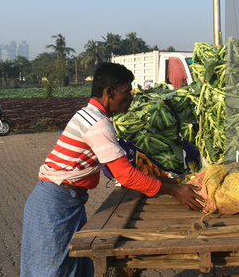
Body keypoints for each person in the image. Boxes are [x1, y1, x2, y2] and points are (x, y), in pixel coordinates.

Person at [20, 62, 204, 277]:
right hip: (54, 204)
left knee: (75, 267)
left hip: (63, 199)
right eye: (126, 92)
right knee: (53, 271)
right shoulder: (98, 124)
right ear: (110, 92)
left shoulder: (88, 114)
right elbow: (125, 175)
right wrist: (173, 190)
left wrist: (170, 183)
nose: (130, 98)